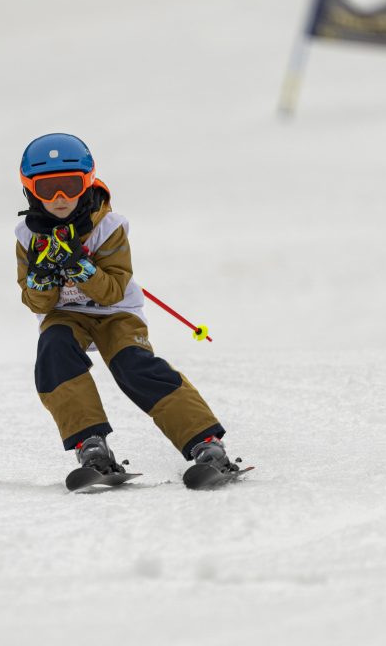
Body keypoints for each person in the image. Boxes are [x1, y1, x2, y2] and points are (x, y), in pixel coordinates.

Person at [14, 133, 237, 482]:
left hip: (115, 312)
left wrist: (79, 267)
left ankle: (205, 442)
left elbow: (112, 291)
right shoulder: (27, 236)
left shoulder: (108, 227)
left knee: (133, 364)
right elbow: (36, 303)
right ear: (30, 190)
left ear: (87, 182)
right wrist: (40, 279)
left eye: (70, 186)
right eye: (48, 188)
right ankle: (91, 445)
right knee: (53, 351)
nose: (60, 198)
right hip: (65, 315)